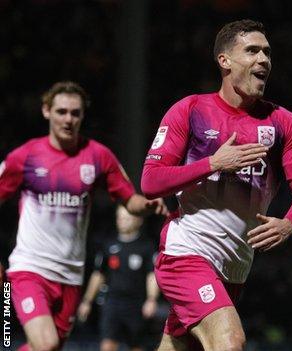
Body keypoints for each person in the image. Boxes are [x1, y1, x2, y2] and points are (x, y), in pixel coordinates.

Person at [140, 19, 292, 350]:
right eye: (252, 51)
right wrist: (213, 163)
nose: (263, 59)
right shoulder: (191, 110)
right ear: (224, 60)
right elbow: (151, 181)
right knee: (230, 341)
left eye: (267, 52)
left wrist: (288, 224)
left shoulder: (282, 122)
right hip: (186, 254)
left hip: (234, 269)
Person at [0, 81, 167, 351]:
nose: (68, 119)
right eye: (62, 111)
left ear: (82, 115)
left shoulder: (98, 157)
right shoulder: (26, 156)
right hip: (29, 269)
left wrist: (146, 205)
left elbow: (129, 199)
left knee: (50, 348)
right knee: (46, 344)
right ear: (46, 111)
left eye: (75, 113)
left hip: (71, 276)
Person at [78, 205, 160, 351]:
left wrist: (151, 299)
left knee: (136, 346)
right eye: (120, 217)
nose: (122, 221)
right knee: (107, 345)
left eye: (127, 218)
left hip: (136, 304)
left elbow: (151, 275)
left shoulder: (146, 246)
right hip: (112, 302)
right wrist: (87, 301)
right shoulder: (108, 244)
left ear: (139, 220)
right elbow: (98, 275)